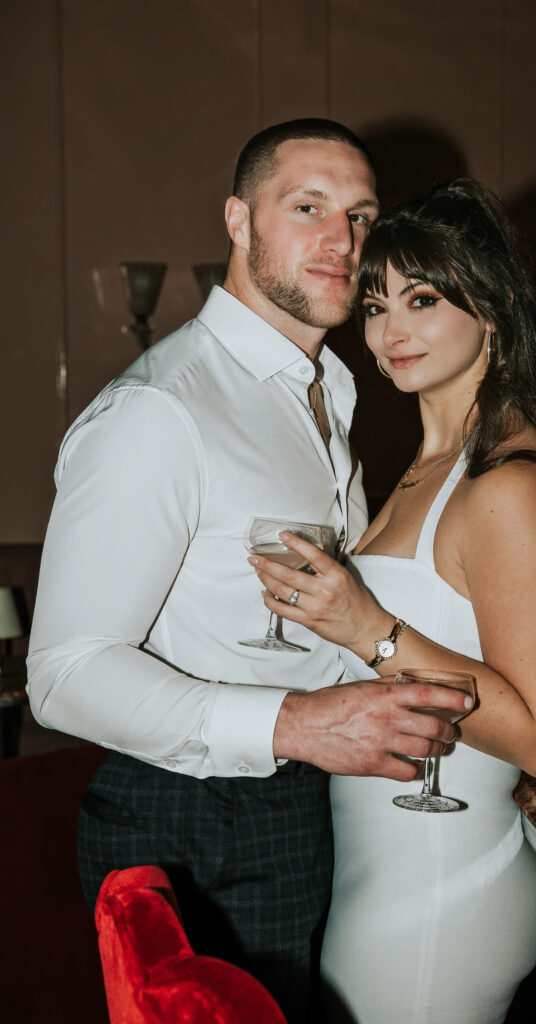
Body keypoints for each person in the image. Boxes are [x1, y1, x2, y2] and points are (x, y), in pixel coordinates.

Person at [26, 121, 471, 1023]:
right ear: (238, 220)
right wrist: (300, 723)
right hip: (186, 825)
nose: (341, 241)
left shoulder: (331, 387)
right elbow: (63, 675)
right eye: (305, 208)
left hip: (295, 804)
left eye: (359, 214)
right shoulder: (160, 410)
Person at [248, 178, 536, 1023]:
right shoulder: (420, 467)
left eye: (422, 297)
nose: (389, 329)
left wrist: (366, 626)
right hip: (386, 865)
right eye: (373, 304)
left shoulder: (507, 479)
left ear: (494, 306)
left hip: (441, 886)